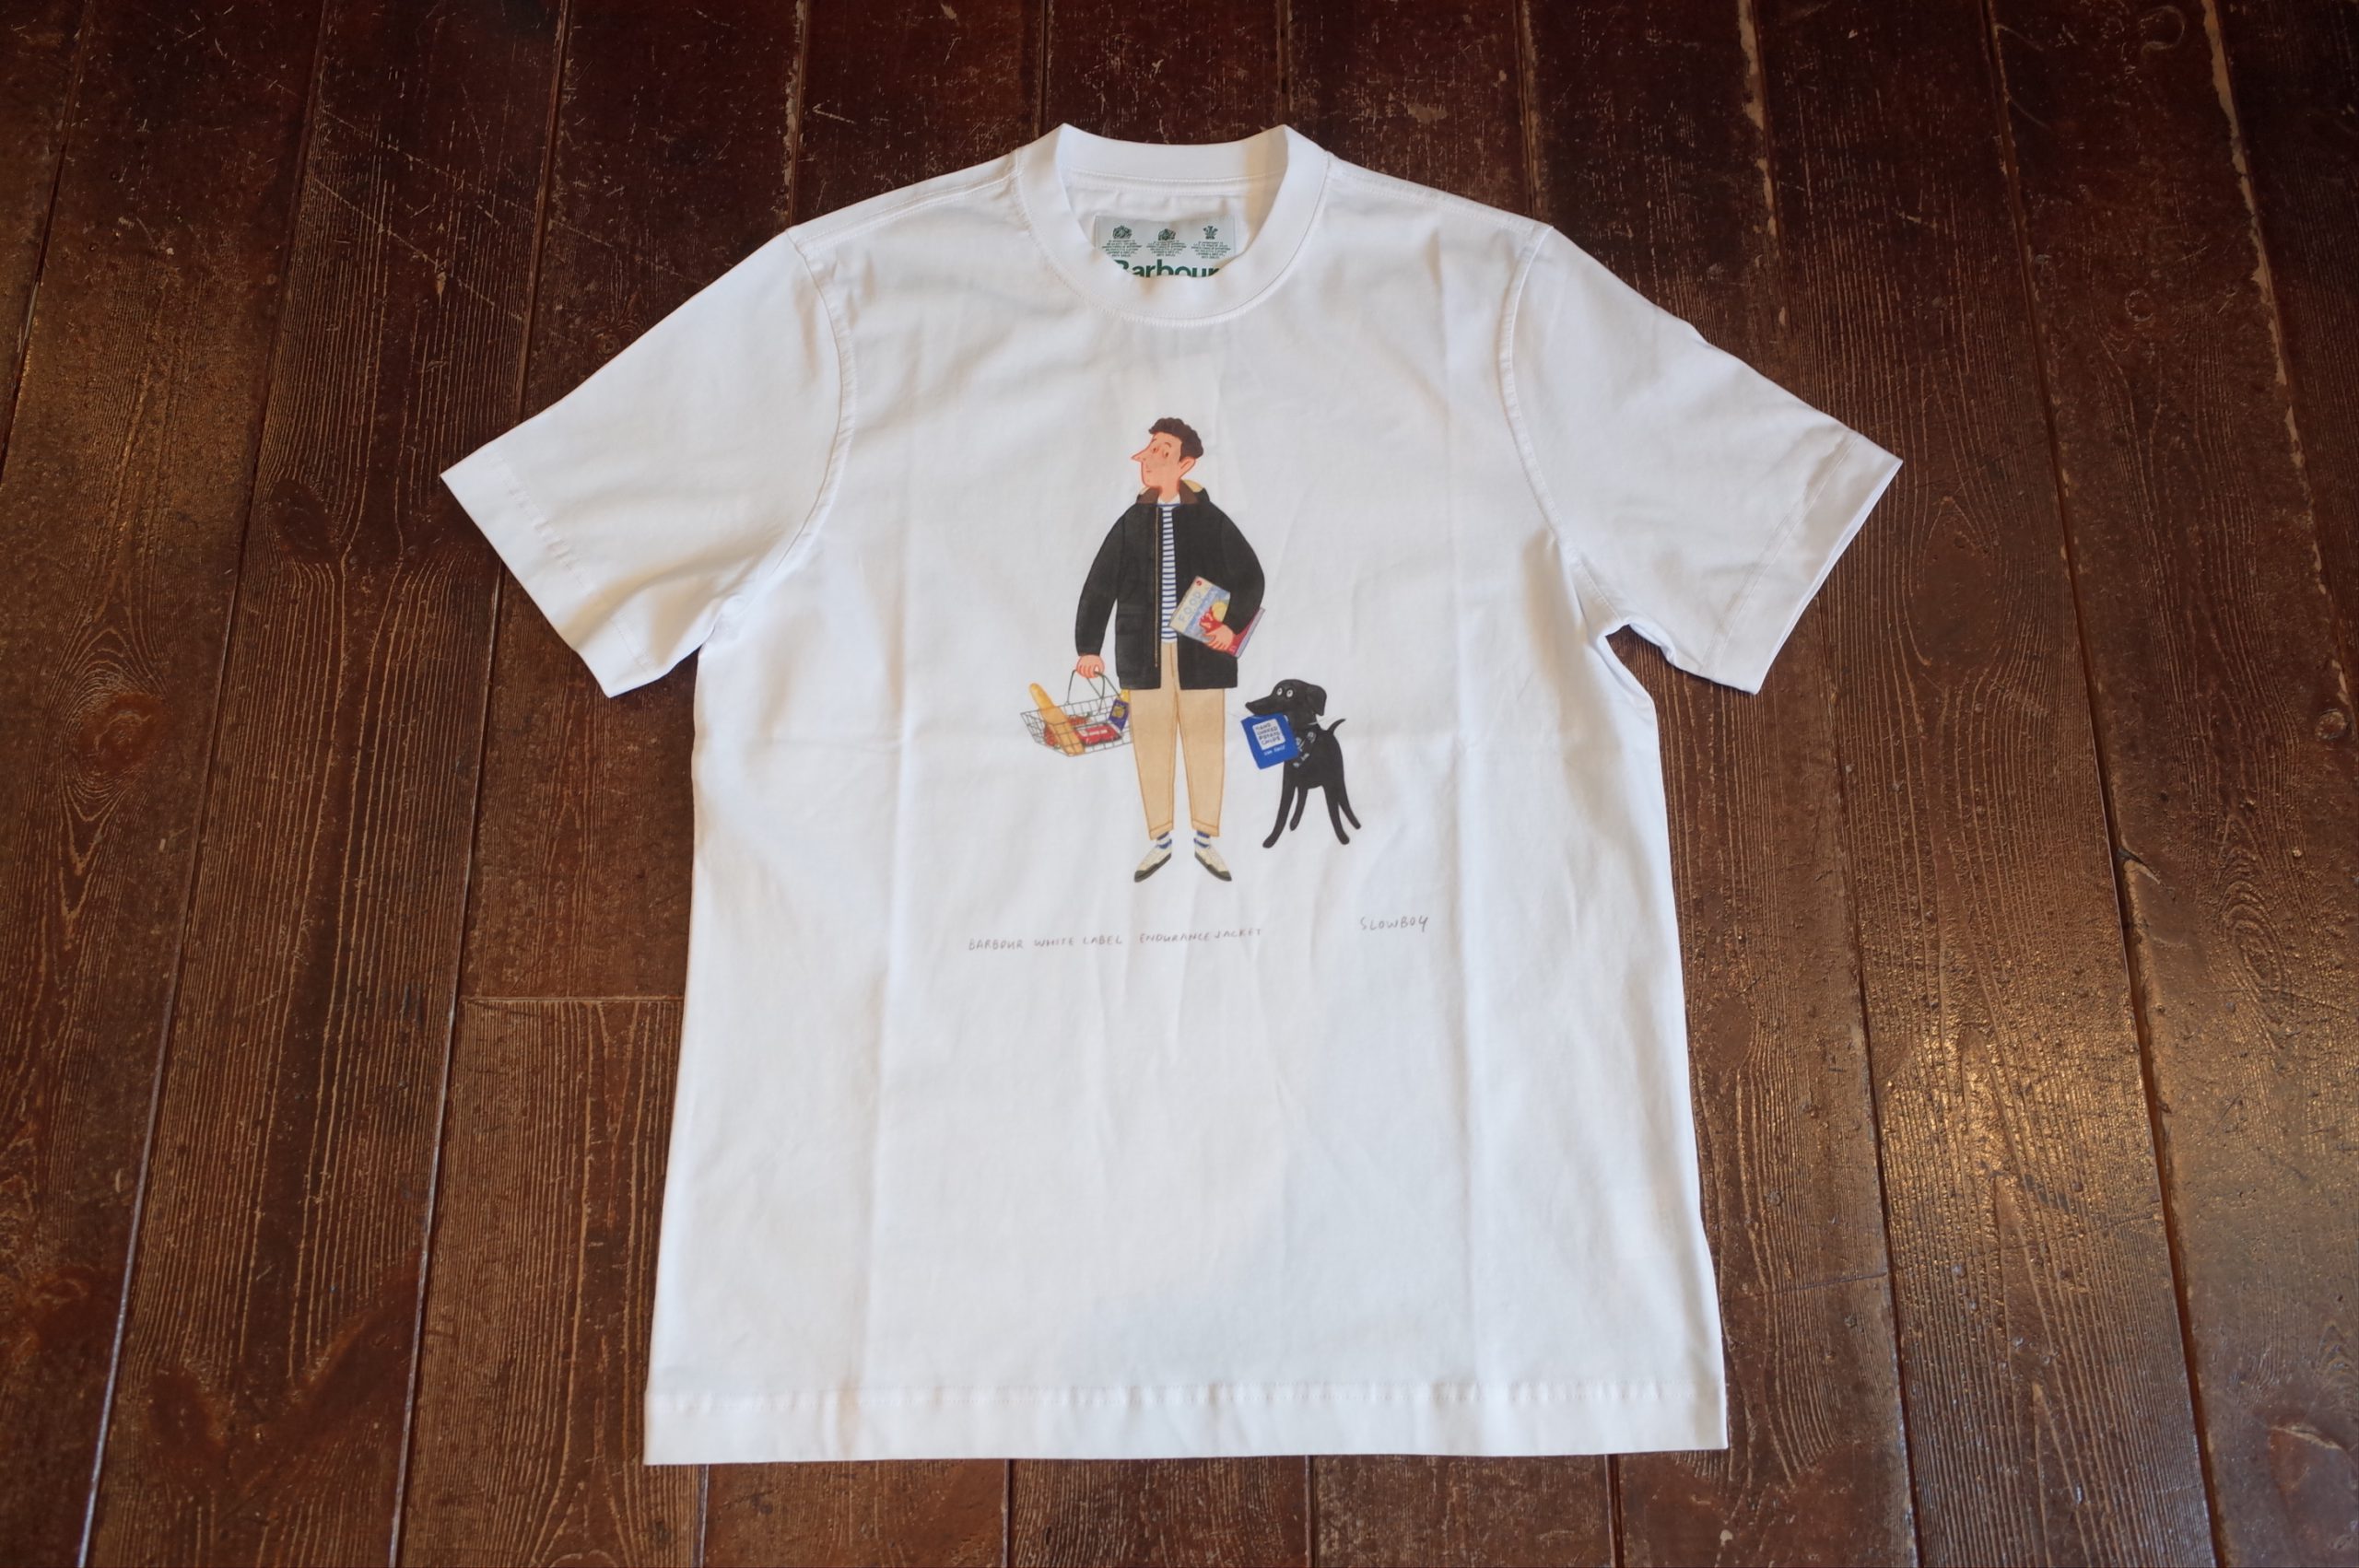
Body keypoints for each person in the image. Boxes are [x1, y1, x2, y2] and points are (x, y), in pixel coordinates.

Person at [1074, 417, 1264, 882]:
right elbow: (1099, 585)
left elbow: (1251, 577)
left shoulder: (1211, 521)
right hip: (1143, 656)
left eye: (1163, 450)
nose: (1149, 458)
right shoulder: (1131, 522)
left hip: (1204, 657)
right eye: (1150, 448)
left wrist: (1231, 626)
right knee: (1152, 748)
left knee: (1206, 746)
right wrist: (1088, 647)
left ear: (1185, 463)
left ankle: (1205, 839)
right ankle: (1159, 839)